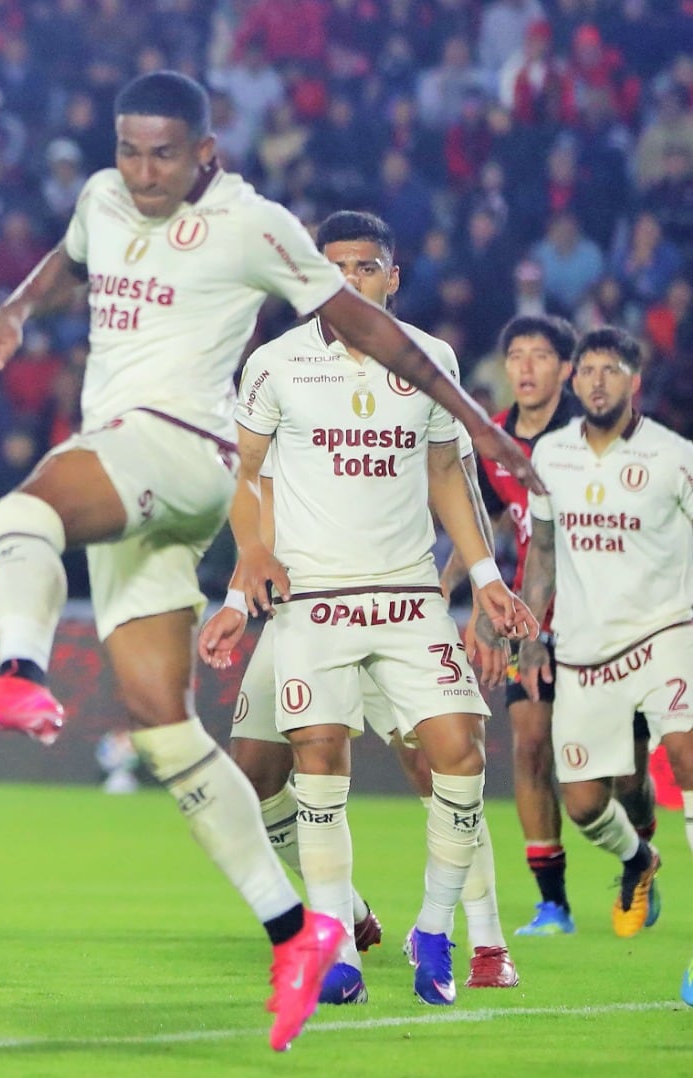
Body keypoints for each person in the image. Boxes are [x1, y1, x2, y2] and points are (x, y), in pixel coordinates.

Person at [0, 71, 536, 1048]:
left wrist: (479, 431)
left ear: (207, 151)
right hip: (206, 529)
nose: (144, 169)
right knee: (173, 733)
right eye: (130, 149)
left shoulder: (255, 225)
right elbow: (66, 257)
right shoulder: (104, 204)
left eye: (165, 151)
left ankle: (20, 675)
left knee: (24, 509)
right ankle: (299, 931)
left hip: (182, 448)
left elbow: (376, 338)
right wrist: (14, 310)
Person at [200, 210, 535, 1005]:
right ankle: (338, 940)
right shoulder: (276, 365)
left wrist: (485, 574)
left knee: (459, 753)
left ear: (393, 276)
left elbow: (449, 474)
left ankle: (441, 925)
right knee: (310, 756)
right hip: (312, 598)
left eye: (367, 267)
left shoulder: (431, 360)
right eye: (334, 267)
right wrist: (242, 582)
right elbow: (248, 477)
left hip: (409, 591)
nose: (350, 280)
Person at [457, 316, 658, 935]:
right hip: (535, 619)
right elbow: (480, 529)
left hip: (614, 625)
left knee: (622, 775)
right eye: (514, 355)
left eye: (539, 355)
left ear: (565, 371)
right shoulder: (493, 444)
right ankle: (554, 904)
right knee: (529, 741)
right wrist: (461, 602)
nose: (524, 368)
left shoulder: (593, 439)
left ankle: (641, 856)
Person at [518, 327, 693, 939]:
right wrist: (531, 633)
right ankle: (638, 858)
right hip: (585, 649)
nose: (597, 380)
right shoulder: (552, 455)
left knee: (687, 754)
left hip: (666, 632)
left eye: (610, 369)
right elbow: (542, 551)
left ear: (634, 380)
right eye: (587, 370)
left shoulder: (674, 456)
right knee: (588, 804)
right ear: (575, 380)